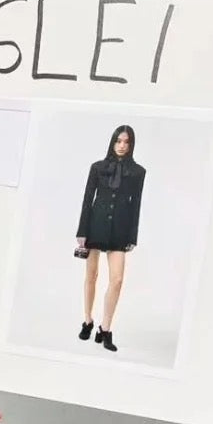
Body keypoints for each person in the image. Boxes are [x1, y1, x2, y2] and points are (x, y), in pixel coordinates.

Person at [76, 123, 146, 354]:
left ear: (131, 144)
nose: (122, 145)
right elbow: (88, 199)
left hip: (119, 230)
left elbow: (136, 206)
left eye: (126, 142)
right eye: (118, 141)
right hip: (95, 226)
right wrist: (82, 231)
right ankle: (88, 320)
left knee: (117, 280)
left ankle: (105, 329)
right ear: (113, 141)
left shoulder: (138, 172)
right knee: (91, 275)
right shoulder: (97, 168)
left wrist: (132, 236)